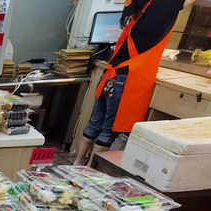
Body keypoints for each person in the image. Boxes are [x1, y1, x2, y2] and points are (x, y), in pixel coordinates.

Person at [74, 0, 195, 165]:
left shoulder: (139, 9)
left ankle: (78, 162)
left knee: (95, 123)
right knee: (109, 131)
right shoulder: (163, 5)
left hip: (110, 75)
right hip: (126, 80)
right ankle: (88, 170)